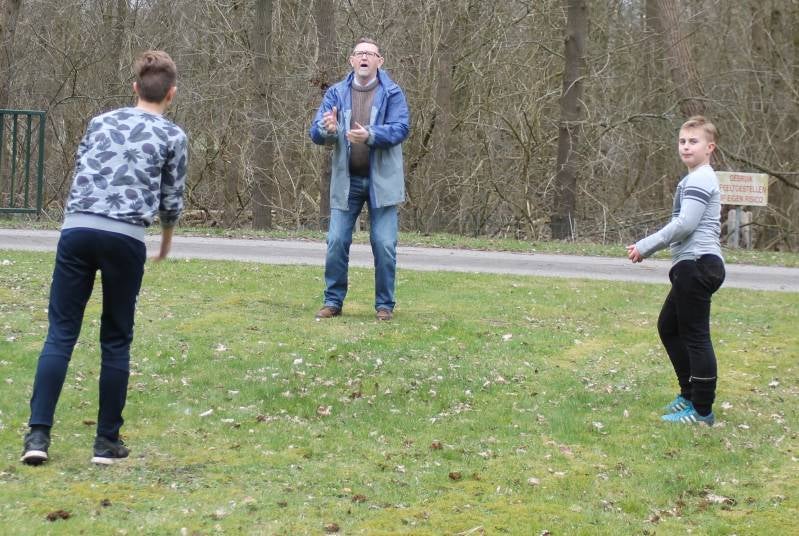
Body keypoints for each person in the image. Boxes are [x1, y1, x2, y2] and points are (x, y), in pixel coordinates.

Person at [21, 50, 188, 465]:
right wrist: (166, 240)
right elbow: (171, 198)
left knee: (61, 333)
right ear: (171, 93)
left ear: (134, 88)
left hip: (77, 230)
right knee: (115, 338)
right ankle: (106, 442)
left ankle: (37, 437)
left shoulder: (100, 122)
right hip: (125, 238)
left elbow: (82, 166)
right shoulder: (173, 136)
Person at [627, 116, 725, 426]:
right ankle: (689, 394)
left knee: (696, 336)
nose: (686, 146)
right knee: (669, 327)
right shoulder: (695, 178)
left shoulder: (700, 179)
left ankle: (702, 411)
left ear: (709, 147)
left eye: (693, 141)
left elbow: (685, 224)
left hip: (697, 265)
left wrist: (645, 246)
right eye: (682, 141)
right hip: (693, 265)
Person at [309, 38, 410, 321]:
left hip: (382, 184)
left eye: (370, 53)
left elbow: (401, 128)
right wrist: (328, 129)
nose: (364, 57)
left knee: (385, 245)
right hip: (347, 182)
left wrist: (371, 135)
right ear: (351, 61)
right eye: (359, 53)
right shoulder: (336, 93)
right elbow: (316, 133)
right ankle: (333, 302)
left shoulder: (392, 93)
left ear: (380, 61)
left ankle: (384, 306)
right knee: (336, 241)